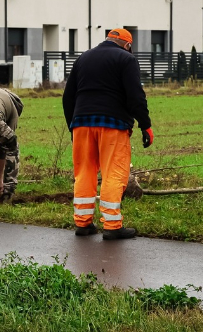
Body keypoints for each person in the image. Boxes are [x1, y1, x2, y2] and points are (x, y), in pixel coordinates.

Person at [62, 28, 152, 240]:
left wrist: (73, 127)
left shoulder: (83, 58)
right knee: (113, 172)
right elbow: (135, 96)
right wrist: (145, 125)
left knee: (84, 172)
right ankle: (112, 225)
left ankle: (83, 223)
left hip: (81, 123)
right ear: (128, 45)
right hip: (113, 124)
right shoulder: (126, 59)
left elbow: (68, 97)